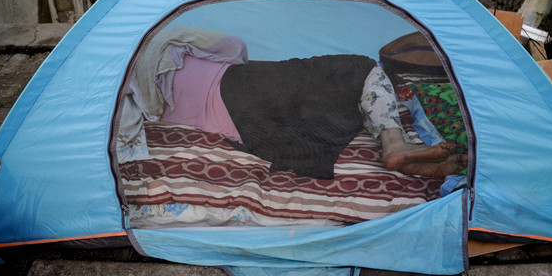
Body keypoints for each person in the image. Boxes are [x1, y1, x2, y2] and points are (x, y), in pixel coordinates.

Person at [160, 52, 468, 179]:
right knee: (360, 67)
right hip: (243, 83)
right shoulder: (168, 47)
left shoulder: (134, 97)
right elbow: (234, 48)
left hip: (246, 129)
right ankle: (394, 141)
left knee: (305, 121)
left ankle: (397, 149)